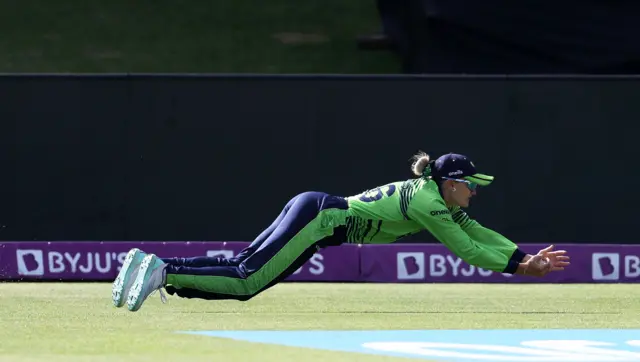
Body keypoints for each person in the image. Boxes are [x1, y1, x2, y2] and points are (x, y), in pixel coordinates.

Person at [112, 151, 570, 312]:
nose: (474, 193)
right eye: (470, 186)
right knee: (248, 279)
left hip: (315, 210)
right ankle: (162, 271)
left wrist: (522, 255)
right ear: (450, 184)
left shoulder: (438, 198)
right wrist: (521, 268)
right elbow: (467, 249)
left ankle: (153, 266)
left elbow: (480, 232)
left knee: (242, 269)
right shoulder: (433, 203)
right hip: (319, 219)